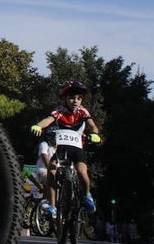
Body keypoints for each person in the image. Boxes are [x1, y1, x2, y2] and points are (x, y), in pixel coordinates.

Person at [31, 80, 103, 217]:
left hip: (77, 149)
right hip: (62, 148)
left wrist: (94, 134)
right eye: (71, 98)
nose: (75, 101)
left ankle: (87, 195)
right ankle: (52, 206)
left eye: (79, 98)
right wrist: (38, 126)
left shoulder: (82, 112)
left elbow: (93, 126)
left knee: (82, 171)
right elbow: (49, 119)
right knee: (51, 171)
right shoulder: (60, 111)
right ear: (65, 98)